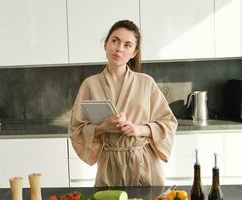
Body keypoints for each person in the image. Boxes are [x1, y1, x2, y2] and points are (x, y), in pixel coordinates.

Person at [68, 19, 178, 187]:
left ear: (134, 52)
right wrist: (103, 127)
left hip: (145, 164)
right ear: (105, 44)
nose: (119, 48)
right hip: (109, 166)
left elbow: (169, 123)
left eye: (127, 45)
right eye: (115, 41)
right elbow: (76, 129)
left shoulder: (146, 83)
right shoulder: (90, 85)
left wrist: (138, 129)